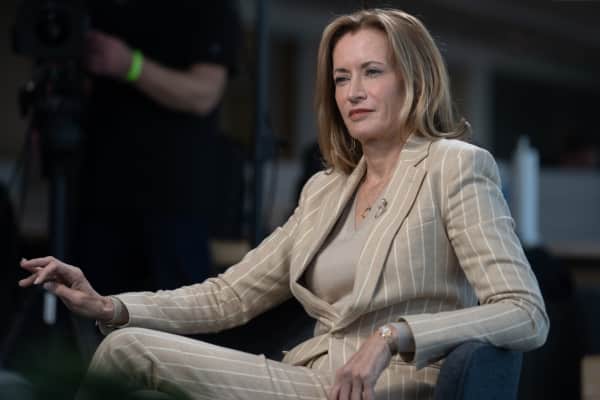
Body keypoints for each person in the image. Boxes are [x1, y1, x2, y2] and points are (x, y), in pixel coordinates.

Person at [19, 8, 549, 400]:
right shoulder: (326, 189)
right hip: (310, 379)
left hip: (388, 387)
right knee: (135, 370)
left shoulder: (454, 165)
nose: (353, 92)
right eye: (341, 78)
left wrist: (394, 335)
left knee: (127, 350)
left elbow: (524, 313)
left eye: (372, 72)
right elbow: (229, 296)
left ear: (414, 79)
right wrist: (111, 306)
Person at [74, 1, 240, 294]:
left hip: (173, 196)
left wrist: (131, 66)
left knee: (177, 310)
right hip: (100, 189)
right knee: (95, 305)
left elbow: (204, 93)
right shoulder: (103, 8)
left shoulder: (209, 9)